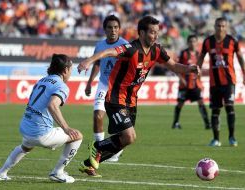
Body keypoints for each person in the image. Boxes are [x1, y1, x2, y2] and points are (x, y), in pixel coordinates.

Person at [77, 15, 199, 171]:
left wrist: (189, 69)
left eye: (157, 32)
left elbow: (174, 66)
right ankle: (97, 145)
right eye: (152, 32)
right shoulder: (131, 49)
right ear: (141, 33)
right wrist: (88, 61)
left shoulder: (157, 50)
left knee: (126, 140)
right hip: (115, 98)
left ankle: (88, 164)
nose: (155, 35)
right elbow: (108, 52)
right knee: (128, 136)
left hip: (132, 100)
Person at [0, 54, 83, 183]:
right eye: (71, 69)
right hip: (41, 134)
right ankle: (58, 172)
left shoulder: (42, 80)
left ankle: (1, 173)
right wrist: (66, 128)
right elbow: (52, 105)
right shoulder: (61, 86)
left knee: (25, 147)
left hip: (26, 127)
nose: (70, 73)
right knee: (77, 136)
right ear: (65, 70)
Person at [84, 15, 128, 164]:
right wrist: (89, 83)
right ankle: (99, 150)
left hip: (119, 88)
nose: (113, 30)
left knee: (119, 122)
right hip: (103, 85)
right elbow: (97, 64)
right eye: (110, 27)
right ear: (105, 29)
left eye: (116, 27)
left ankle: (117, 148)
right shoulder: (100, 45)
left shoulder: (125, 45)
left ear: (119, 29)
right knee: (97, 116)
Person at [197, 17, 245, 147]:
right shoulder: (208, 42)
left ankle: (232, 137)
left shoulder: (232, 41)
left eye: (223, 26)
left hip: (229, 81)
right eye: (218, 25)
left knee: (229, 106)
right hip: (214, 83)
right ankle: (216, 139)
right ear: (214, 26)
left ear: (227, 27)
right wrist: (198, 72)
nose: (221, 28)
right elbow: (201, 57)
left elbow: (240, 57)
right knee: (215, 110)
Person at [172, 34, 211, 130]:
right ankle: (175, 123)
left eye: (194, 41)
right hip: (184, 84)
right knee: (180, 104)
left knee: (201, 102)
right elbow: (177, 67)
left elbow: (200, 69)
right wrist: (181, 79)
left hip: (195, 84)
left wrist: (200, 82)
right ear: (188, 43)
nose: (192, 43)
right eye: (191, 41)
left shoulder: (199, 54)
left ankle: (207, 123)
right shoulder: (184, 53)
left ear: (197, 43)